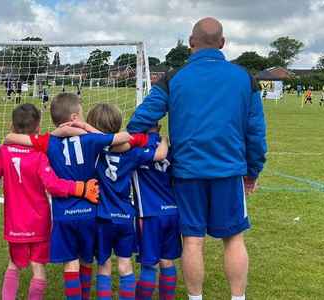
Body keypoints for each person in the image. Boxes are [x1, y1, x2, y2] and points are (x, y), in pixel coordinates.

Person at [126, 17, 267, 300]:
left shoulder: (174, 77)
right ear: (223, 44)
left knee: (192, 240)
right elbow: (256, 133)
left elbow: (138, 121)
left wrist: (157, 143)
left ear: (191, 44)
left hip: (187, 172)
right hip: (229, 171)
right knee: (234, 238)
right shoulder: (244, 78)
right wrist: (252, 171)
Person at [0, 103, 100, 300]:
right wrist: (81, 188)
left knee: (13, 265)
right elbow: (54, 185)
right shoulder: (41, 155)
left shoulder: (4, 154)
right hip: (39, 223)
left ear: (11, 126)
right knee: (38, 269)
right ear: (38, 128)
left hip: (15, 223)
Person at [4, 93, 132, 300]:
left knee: (70, 263)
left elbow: (9, 138)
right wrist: (88, 129)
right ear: (74, 117)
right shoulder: (90, 139)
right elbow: (125, 138)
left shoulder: (48, 141)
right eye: (81, 115)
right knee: (86, 261)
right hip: (90, 211)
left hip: (64, 215)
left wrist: (57, 132)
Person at [85, 103, 169, 300]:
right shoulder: (132, 152)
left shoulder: (93, 151)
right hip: (125, 217)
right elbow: (160, 155)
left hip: (103, 216)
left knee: (104, 267)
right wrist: (164, 140)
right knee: (125, 265)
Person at [132, 125, 181, 300]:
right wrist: (166, 140)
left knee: (149, 265)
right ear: (159, 126)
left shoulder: (135, 147)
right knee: (167, 261)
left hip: (149, 214)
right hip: (172, 212)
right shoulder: (169, 148)